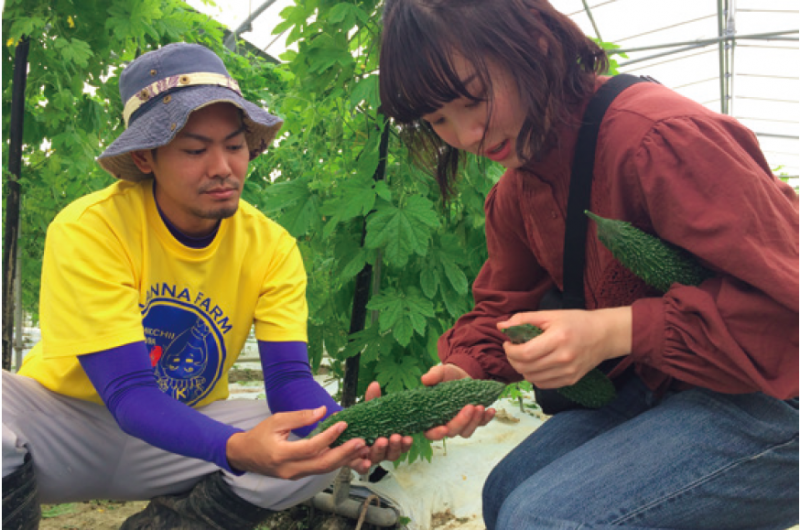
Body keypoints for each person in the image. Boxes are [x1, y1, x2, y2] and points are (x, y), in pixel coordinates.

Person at [378, 1, 799, 529]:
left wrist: (615, 330)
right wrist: (464, 373)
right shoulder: (517, 191)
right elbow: (504, 307)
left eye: (474, 99)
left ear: (535, 44)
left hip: (778, 389)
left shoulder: (656, 139)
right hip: (668, 380)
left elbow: (788, 315)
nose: (465, 136)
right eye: (438, 119)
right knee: (503, 491)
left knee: (542, 520)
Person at [1, 42, 421, 530]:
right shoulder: (92, 228)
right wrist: (237, 449)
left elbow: (289, 382)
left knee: (307, 453)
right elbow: (130, 394)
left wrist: (349, 430)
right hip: (66, 427)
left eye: (235, 145)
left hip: (183, 428)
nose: (222, 166)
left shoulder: (272, 247)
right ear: (144, 158)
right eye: (196, 149)